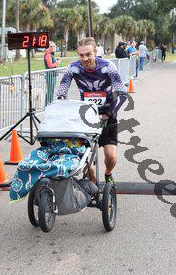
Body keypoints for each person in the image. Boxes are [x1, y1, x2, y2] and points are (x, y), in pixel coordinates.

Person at [57, 37, 127, 184]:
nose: (85, 59)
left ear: (95, 52)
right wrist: (63, 106)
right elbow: (61, 91)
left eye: (88, 54)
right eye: (81, 55)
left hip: (108, 114)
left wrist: (108, 114)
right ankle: (92, 182)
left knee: (111, 156)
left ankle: (108, 174)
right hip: (86, 115)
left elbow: (122, 95)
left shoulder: (108, 66)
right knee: (82, 157)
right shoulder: (73, 67)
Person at [44, 41, 61, 106]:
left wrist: (56, 60)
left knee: (51, 91)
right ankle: (47, 106)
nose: (52, 47)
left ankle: (50, 104)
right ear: (48, 47)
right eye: (51, 46)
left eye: (54, 46)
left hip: (52, 75)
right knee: (50, 91)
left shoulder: (51, 54)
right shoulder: (48, 54)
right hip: (50, 75)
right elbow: (50, 65)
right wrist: (58, 62)